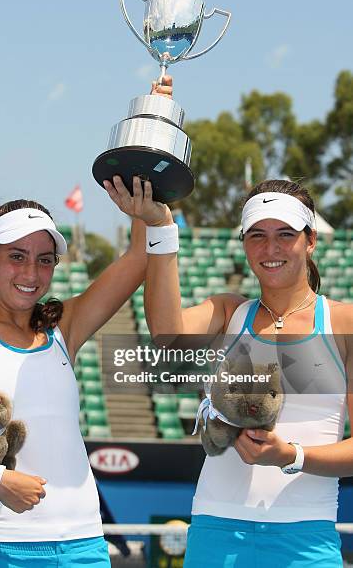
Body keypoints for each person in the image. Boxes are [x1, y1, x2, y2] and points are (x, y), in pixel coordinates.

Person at [0, 75, 174, 568]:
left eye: (44, 260)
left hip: (84, 548)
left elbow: (144, 253)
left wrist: (150, 128)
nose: (31, 273)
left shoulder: (64, 327)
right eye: (17, 257)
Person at [104, 177, 353, 567]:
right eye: (257, 235)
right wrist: (161, 226)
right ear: (243, 244)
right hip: (214, 531)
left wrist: (291, 455)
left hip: (304, 541)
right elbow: (165, 334)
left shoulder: (345, 323)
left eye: (285, 234)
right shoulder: (228, 313)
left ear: (310, 241)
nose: (270, 248)